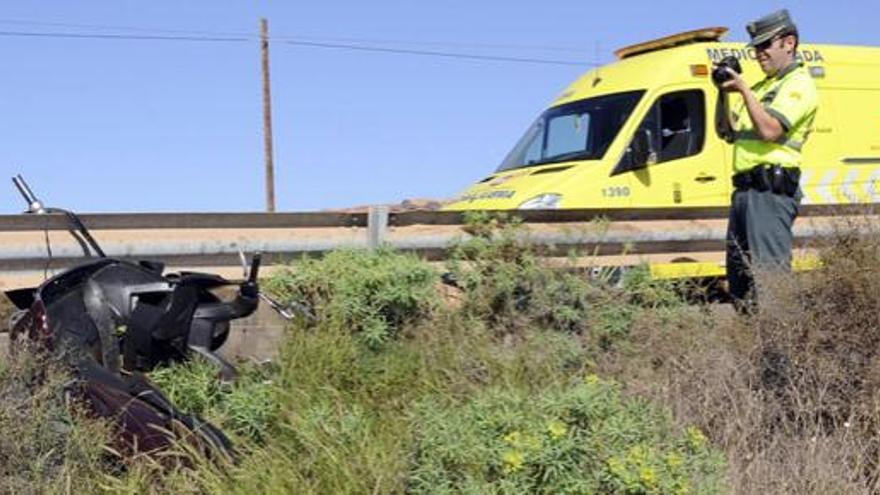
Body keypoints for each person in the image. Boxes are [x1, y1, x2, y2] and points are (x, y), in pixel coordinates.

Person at [714, 9, 819, 310]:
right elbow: (726, 131)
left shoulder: (799, 84)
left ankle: (783, 357)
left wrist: (744, 89)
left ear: (789, 43)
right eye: (756, 48)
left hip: (770, 195)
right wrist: (722, 93)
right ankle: (754, 353)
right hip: (744, 194)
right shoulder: (761, 87)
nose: (758, 54)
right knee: (741, 288)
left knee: (772, 286)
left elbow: (771, 130)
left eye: (765, 46)